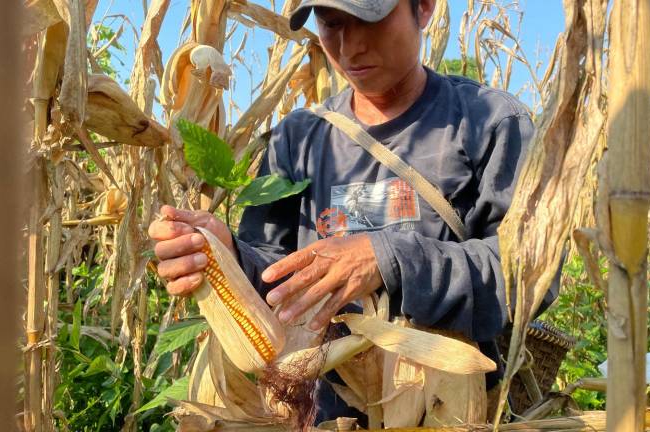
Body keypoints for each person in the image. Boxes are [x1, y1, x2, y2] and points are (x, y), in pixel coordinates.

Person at [148, 0, 546, 424]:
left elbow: (528, 278)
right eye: (332, 23)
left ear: (425, 8)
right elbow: (279, 280)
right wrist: (229, 258)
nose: (350, 46)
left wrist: (389, 259)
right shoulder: (296, 138)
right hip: (320, 413)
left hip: (449, 411)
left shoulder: (491, 123)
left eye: (368, 20)